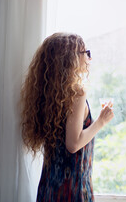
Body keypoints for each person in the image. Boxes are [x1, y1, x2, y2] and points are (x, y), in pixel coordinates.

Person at [20, 32, 114, 201]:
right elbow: (73, 144)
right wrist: (101, 121)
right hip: (72, 189)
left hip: (49, 187)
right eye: (85, 53)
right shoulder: (77, 92)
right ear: (70, 59)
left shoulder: (49, 96)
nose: (88, 58)